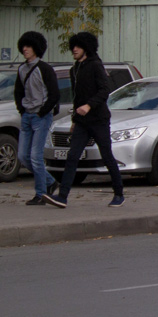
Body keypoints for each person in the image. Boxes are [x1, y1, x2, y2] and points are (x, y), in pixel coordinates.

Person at [43, 31, 123, 208]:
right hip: (81, 122)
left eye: (78, 46)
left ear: (87, 48)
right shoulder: (74, 69)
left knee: (107, 155)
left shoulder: (96, 66)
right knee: (72, 156)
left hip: (99, 119)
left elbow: (105, 90)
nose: (74, 49)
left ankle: (119, 194)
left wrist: (89, 106)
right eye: (73, 46)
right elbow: (77, 97)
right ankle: (62, 196)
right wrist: (74, 119)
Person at [13, 31, 60, 205]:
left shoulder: (44, 69)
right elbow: (18, 92)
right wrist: (22, 110)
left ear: (36, 48)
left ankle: (40, 194)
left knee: (35, 156)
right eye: (23, 46)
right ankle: (50, 182)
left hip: (41, 117)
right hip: (27, 116)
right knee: (23, 156)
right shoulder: (21, 69)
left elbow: (54, 94)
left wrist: (42, 112)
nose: (25, 49)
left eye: (29, 46)